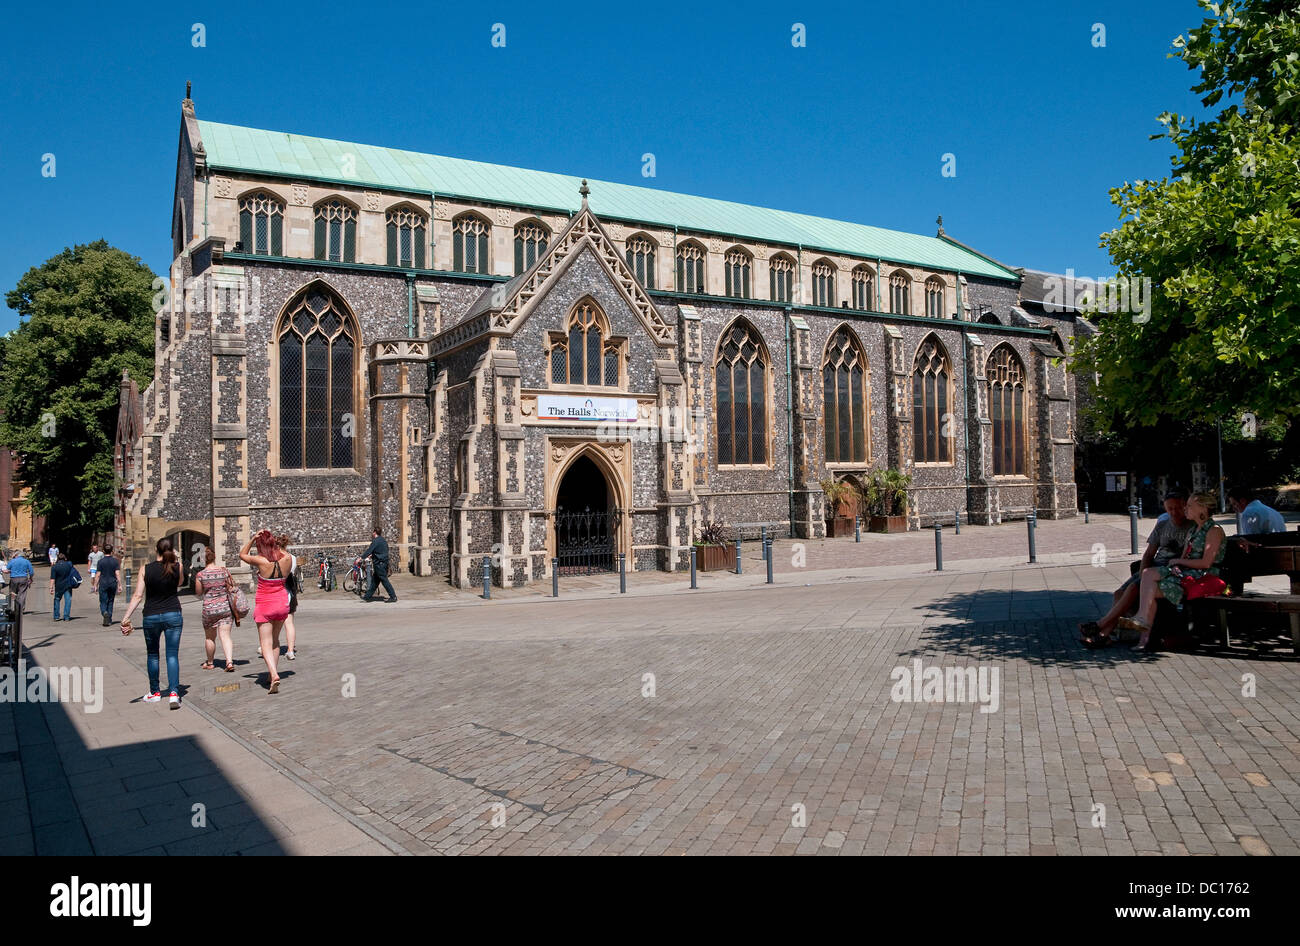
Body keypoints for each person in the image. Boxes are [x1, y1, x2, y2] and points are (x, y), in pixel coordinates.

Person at [1080, 489, 1192, 647]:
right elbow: (1148, 555)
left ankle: (1100, 628)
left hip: (1169, 572)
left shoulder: (1192, 527)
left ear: (1185, 507)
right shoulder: (1162, 525)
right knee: (1119, 593)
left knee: (1132, 589)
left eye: (1178, 508)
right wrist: (1141, 575)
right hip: (1152, 569)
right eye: (1170, 509)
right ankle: (1104, 634)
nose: (1174, 512)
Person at [1119, 492, 1226, 651]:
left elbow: (1206, 563)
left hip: (1203, 577)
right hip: (1187, 573)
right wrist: (1177, 566)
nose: (1185, 508)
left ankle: (1142, 621)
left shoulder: (1214, 530)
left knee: (1148, 579)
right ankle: (1144, 639)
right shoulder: (1194, 530)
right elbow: (1184, 557)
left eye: (1190, 505)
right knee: (1148, 584)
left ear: (1202, 508)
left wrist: (1179, 562)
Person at [119, 537, 186, 709]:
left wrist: (126, 617)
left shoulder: (145, 569)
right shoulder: (177, 567)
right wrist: (176, 561)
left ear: (156, 550)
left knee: (153, 655)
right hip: (173, 614)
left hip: (151, 616)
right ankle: (173, 693)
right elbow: (179, 584)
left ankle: (155, 692)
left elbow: (138, 596)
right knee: (172, 655)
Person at [240, 530, 292, 693]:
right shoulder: (288, 559)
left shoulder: (261, 561)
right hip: (282, 602)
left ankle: (274, 674)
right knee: (275, 641)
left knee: (265, 643)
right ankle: (272, 674)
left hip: (266, 604)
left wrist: (252, 539)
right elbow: (281, 553)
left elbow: (242, 554)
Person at [195, 547, 236, 672]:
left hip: (209, 609)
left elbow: (198, 593)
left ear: (203, 559)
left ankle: (210, 662)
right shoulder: (224, 571)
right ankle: (229, 662)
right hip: (225, 608)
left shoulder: (201, 574)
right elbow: (231, 587)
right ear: (215, 557)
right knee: (225, 636)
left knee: (210, 638)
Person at [275, 534, 299, 660]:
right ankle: (290, 650)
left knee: (274, 623)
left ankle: (270, 646)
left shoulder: (274, 559)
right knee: (289, 623)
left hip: (277, 592)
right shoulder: (293, 558)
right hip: (290, 592)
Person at [360, 527, 397, 603]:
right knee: (375, 581)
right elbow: (382, 551)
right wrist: (373, 555)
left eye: (372, 532)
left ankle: (393, 596)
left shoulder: (375, 541)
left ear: (374, 533)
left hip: (379, 564)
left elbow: (369, 551)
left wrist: (361, 558)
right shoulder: (383, 540)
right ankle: (367, 596)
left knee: (384, 581)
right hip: (383, 563)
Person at [97, 545, 121, 626]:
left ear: (103, 551)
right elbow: (117, 574)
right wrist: (119, 585)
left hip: (103, 583)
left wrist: (95, 585)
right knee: (110, 601)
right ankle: (109, 619)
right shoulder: (115, 561)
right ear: (112, 551)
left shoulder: (100, 562)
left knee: (103, 601)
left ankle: (104, 612)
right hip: (112, 583)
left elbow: (98, 574)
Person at [50, 553, 76, 621]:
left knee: (57, 600)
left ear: (57, 559)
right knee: (68, 600)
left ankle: (56, 616)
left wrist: (51, 587)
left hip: (59, 586)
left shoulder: (54, 567)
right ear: (65, 558)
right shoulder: (69, 565)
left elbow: (53, 578)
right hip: (68, 585)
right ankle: (66, 617)